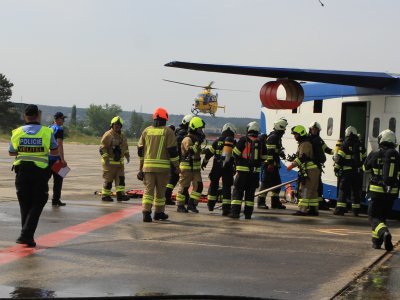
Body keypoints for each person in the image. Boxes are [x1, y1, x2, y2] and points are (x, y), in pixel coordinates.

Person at [9, 104, 59, 247]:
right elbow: (54, 152)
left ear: (25, 116)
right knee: (39, 201)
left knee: (24, 203)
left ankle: (26, 236)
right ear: (38, 115)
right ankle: (26, 234)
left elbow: (12, 152)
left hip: (22, 171)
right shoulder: (47, 132)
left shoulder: (17, 132)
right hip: (40, 172)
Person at [137, 107, 180, 222]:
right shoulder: (168, 132)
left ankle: (146, 213)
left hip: (148, 168)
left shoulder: (146, 131)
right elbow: (172, 151)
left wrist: (140, 168)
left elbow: (140, 151)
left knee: (148, 191)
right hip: (162, 169)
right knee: (160, 192)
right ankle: (159, 213)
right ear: (165, 119)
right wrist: (177, 166)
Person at [363, 129, 399, 251]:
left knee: (373, 217)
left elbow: (365, 168)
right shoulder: (396, 156)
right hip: (391, 194)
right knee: (381, 218)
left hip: (376, 191)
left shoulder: (375, 153)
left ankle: (384, 233)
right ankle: (377, 242)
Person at [202, 122, 237, 216]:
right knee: (226, 187)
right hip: (228, 167)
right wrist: (236, 168)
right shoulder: (233, 142)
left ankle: (210, 204)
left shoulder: (217, 141)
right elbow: (237, 156)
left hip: (216, 166)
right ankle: (226, 208)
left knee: (213, 184)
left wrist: (204, 162)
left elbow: (209, 153)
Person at [230, 121, 262, 219]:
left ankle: (235, 213)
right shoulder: (261, 142)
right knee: (250, 195)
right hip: (255, 173)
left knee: (238, 192)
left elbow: (235, 153)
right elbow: (265, 157)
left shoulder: (243, 140)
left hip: (242, 172)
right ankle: (248, 214)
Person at [287, 125, 321, 216]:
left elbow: (303, 158)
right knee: (313, 191)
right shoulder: (306, 142)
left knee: (305, 189)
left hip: (310, 170)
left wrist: (291, 165)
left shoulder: (305, 144)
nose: (294, 136)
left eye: (296, 134)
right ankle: (313, 210)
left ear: (301, 134)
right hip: (314, 170)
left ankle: (302, 210)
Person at [333, 126, 366, 216]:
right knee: (355, 191)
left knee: (343, 190)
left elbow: (340, 159)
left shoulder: (345, 144)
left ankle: (340, 209)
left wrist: (336, 168)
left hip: (346, 173)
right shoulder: (360, 144)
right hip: (357, 172)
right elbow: (364, 158)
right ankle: (356, 211)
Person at [176, 116, 206, 213]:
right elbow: (191, 151)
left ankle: (191, 204)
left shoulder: (195, 139)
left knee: (199, 186)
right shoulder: (187, 139)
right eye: (200, 129)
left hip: (195, 168)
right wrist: (197, 143)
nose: (201, 131)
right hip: (187, 167)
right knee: (184, 186)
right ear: (194, 128)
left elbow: (198, 152)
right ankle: (180, 205)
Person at [257, 117, 288, 209]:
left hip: (273, 166)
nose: (284, 131)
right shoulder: (274, 137)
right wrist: (270, 164)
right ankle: (260, 203)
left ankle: (275, 203)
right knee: (265, 185)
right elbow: (270, 152)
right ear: (280, 127)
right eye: (284, 128)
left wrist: (280, 153)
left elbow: (275, 150)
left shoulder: (277, 137)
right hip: (269, 166)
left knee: (277, 185)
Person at [99, 116, 131, 202]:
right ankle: (105, 195)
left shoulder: (123, 136)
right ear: (112, 125)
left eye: (119, 125)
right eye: (115, 124)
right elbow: (102, 148)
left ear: (121, 126)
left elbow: (125, 147)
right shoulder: (108, 135)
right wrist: (106, 158)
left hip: (119, 164)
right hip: (109, 163)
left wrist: (127, 155)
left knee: (120, 180)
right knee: (108, 180)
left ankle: (120, 195)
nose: (117, 126)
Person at [165, 114, 193, 205]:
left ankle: (185, 198)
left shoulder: (179, 132)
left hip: (174, 159)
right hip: (177, 160)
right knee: (174, 179)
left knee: (177, 179)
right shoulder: (184, 135)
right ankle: (166, 196)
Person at [308, 121, 334, 210]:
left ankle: (319, 202)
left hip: (317, 166)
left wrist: (335, 152)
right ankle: (311, 204)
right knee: (312, 185)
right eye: (313, 129)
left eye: (316, 129)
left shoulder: (319, 140)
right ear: (310, 130)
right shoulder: (308, 140)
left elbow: (326, 149)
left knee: (319, 185)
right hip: (310, 166)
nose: (314, 131)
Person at [48, 112, 68, 206]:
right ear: (57, 119)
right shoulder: (59, 129)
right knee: (58, 180)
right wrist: (62, 159)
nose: (63, 120)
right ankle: (56, 200)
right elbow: (59, 144)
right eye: (62, 119)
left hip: (47, 157)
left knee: (44, 180)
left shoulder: (49, 128)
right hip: (56, 158)